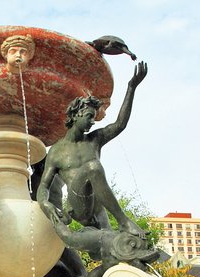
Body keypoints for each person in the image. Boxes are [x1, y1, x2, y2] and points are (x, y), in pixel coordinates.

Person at [37, 61, 148, 238]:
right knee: (93, 168)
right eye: (89, 117)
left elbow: (120, 124)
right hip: (78, 206)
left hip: (97, 206)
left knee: (111, 244)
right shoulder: (57, 151)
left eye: (94, 118)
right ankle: (124, 221)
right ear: (75, 115)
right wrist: (44, 203)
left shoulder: (95, 140)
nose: (92, 122)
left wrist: (131, 88)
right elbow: (43, 186)